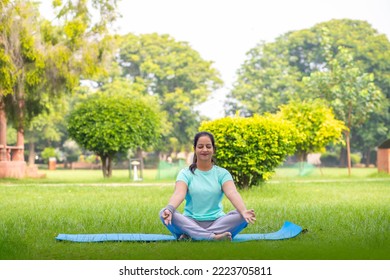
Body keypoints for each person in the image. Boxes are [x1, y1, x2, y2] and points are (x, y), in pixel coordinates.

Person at [159, 131, 256, 241]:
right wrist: (170, 209)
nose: (204, 150)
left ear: (213, 149)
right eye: (200, 146)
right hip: (190, 221)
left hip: (218, 222)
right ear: (195, 149)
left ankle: (192, 236)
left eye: (208, 146)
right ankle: (212, 237)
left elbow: (232, 193)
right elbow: (179, 193)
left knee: (240, 216)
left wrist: (243, 211)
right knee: (164, 212)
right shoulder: (185, 173)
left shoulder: (222, 173)